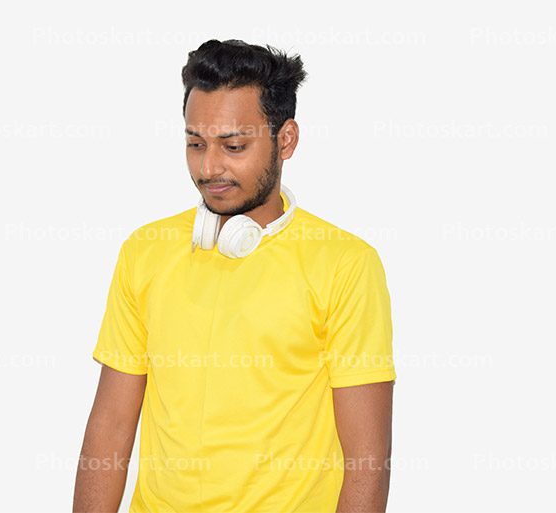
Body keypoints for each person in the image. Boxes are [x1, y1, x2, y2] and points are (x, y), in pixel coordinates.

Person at [73, 39, 397, 513]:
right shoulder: (145, 251)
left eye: (234, 146)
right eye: (195, 144)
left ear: (285, 139)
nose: (209, 167)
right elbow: (110, 428)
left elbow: (368, 461)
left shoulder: (345, 264)